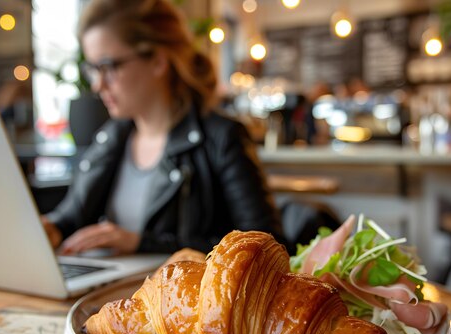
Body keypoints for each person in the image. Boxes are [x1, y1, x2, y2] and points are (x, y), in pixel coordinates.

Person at [41, 0, 284, 255]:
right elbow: (71, 217)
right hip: (114, 289)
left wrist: (142, 243)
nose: (97, 85)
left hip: (180, 293)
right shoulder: (112, 137)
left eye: (109, 67)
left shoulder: (220, 137)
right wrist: (51, 228)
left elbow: (266, 246)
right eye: (93, 69)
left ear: (158, 61)